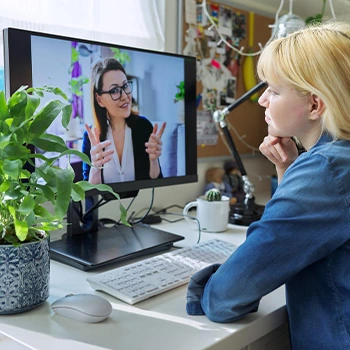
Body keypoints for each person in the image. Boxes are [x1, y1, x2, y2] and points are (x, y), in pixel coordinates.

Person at [186, 21, 350, 349]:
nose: (262, 100)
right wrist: (288, 169)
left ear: (315, 105)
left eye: (274, 90)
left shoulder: (326, 169)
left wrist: (203, 288)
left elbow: (226, 297)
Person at [82, 57, 166, 184]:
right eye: (114, 90)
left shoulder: (144, 127)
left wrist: (153, 161)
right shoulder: (91, 138)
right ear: (100, 100)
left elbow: (156, 183)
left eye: (125, 86)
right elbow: (89, 196)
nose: (125, 96)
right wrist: (95, 167)